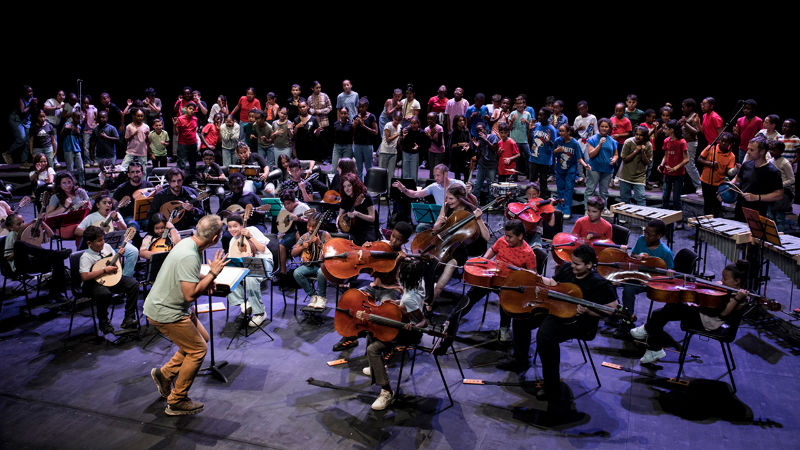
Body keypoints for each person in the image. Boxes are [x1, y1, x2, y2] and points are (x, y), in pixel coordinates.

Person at [145, 215, 227, 416]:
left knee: (202, 339)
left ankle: (165, 375)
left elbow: (184, 272)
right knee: (198, 350)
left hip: (173, 307)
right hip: (167, 311)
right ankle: (177, 400)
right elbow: (190, 293)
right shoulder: (190, 254)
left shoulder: (186, 245)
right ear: (215, 238)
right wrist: (212, 274)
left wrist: (203, 278)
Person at [532, 244, 618, 424]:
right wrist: (540, 282)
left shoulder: (599, 283)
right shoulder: (567, 269)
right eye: (572, 263)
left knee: (545, 337)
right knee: (524, 321)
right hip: (560, 312)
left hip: (582, 324)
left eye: (578, 265)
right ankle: (521, 361)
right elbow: (556, 284)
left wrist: (588, 311)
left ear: (589, 265)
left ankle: (553, 392)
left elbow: (611, 310)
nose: (573, 267)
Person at [438, 220, 536, 350]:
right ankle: (451, 320)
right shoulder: (502, 240)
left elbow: (533, 275)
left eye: (510, 236)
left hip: (508, 284)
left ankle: (504, 329)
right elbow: (493, 249)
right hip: (491, 275)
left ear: (520, 236)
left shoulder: (529, 254)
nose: (506, 239)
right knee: (471, 295)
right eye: (506, 235)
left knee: (506, 300)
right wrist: (484, 260)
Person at [631, 262, 749, 364]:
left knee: (660, 313)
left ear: (737, 281)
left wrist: (737, 299)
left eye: (725, 279)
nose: (722, 281)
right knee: (670, 305)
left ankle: (652, 341)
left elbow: (723, 314)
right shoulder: (727, 289)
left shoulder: (741, 298)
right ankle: (652, 340)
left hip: (708, 322)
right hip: (703, 313)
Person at [361, 257, 428, 410]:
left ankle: (386, 392)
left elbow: (424, 322)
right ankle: (377, 368)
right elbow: (409, 302)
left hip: (408, 332)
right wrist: (397, 303)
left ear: (405, 276)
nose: (397, 275)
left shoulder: (410, 298)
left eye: (400, 273)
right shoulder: (418, 282)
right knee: (372, 330)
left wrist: (414, 326)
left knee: (373, 349)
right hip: (404, 321)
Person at [617, 219, 674, 336]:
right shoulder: (641, 240)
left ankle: (629, 320)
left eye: (649, 234)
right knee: (616, 282)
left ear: (659, 236)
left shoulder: (666, 252)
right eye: (645, 232)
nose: (645, 236)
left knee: (628, 288)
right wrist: (637, 256)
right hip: (638, 275)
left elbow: (670, 271)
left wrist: (668, 272)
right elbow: (633, 254)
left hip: (652, 282)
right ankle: (625, 317)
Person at [430, 184, 488, 301]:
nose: (448, 201)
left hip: (464, 247)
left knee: (450, 266)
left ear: (460, 198)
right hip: (447, 243)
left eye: (451, 198)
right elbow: (435, 231)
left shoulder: (470, 210)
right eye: (447, 198)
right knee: (429, 261)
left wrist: (479, 219)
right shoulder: (446, 207)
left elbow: (486, 237)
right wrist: (438, 225)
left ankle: (434, 294)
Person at [79, 225, 140, 334]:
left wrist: (119, 256)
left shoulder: (106, 247)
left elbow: (116, 265)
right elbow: (84, 276)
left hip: (109, 278)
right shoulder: (86, 257)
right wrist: (104, 270)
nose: (102, 242)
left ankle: (129, 318)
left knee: (133, 284)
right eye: (99, 241)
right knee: (104, 294)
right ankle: (104, 322)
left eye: (103, 239)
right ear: (89, 243)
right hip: (92, 283)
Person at [2, 213, 70, 301]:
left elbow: (51, 235)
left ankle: (56, 293)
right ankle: (54, 253)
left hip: (34, 262)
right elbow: (7, 258)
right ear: (11, 227)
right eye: (19, 224)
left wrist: (41, 222)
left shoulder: (29, 231)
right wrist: (22, 247)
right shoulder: (12, 235)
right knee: (19, 244)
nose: (23, 225)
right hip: (21, 265)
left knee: (57, 258)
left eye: (23, 222)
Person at [226, 214, 273, 328]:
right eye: (229, 227)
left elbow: (262, 249)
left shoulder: (252, 230)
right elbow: (235, 260)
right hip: (245, 266)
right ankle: (244, 303)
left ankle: (260, 313)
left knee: (250, 279)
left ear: (242, 225)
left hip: (263, 262)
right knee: (228, 277)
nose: (232, 229)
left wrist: (250, 237)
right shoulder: (232, 241)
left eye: (235, 226)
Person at [74, 194, 140, 276]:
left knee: (134, 251)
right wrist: (93, 233)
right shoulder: (91, 217)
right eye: (104, 203)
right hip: (100, 247)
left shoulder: (116, 214)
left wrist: (117, 220)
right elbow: (77, 231)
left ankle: (125, 276)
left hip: (115, 243)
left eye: (109, 203)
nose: (108, 205)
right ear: (98, 205)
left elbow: (124, 230)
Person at [730, 135, 784, 221]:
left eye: (751, 150)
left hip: (757, 213)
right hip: (740, 209)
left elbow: (779, 195)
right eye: (748, 149)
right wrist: (726, 188)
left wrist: (756, 197)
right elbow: (737, 179)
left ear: (762, 151)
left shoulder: (772, 171)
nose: (748, 152)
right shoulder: (746, 165)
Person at [291, 211, 331, 310]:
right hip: (310, 265)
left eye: (313, 227)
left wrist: (320, 243)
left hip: (322, 265)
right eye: (309, 226)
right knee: (297, 272)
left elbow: (331, 251)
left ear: (319, 226)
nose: (310, 229)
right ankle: (313, 296)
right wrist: (302, 247)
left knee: (321, 272)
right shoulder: (304, 236)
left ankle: (321, 298)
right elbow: (293, 252)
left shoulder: (325, 235)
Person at [217, 172, 266, 250]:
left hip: (253, 225)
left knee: (255, 237)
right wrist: (223, 214)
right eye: (233, 184)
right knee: (226, 237)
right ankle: (230, 258)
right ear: (229, 185)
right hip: (234, 227)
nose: (236, 186)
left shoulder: (252, 196)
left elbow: (263, 211)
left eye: (238, 183)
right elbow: (218, 215)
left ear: (243, 183)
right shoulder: (227, 200)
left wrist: (254, 211)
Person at [698, 132, 737, 217]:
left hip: (719, 184)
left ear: (730, 144)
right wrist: (709, 164)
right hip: (706, 181)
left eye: (726, 142)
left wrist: (736, 169)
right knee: (707, 204)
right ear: (719, 140)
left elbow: (728, 172)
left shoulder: (731, 156)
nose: (723, 143)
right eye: (722, 140)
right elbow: (700, 159)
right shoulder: (711, 147)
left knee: (717, 205)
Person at [553, 124, 584, 219]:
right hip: (559, 169)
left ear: (568, 132)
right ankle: (560, 206)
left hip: (570, 169)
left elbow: (579, 158)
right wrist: (556, 151)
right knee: (560, 188)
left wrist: (585, 166)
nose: (560, 133)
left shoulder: (574, 143)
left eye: (563, 131)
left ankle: (567, 208)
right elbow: (552, 153)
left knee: (568, 189)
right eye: (560, 131)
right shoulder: (557, 141)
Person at [277, 191, 310, 277]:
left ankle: (303, 269)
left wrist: (299, 219)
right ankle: (283, 272)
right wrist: (282, 231)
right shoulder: (284, 209)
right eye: (284, 204)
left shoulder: (303, 207)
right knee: (281, 245)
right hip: (290, 232)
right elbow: (281, 220)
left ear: (294, 201)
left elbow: (312, 221)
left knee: (298, 236)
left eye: (288, 203)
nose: (286, 206)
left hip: (304, 232)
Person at [658, 120, 689, 210]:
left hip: (678, 174)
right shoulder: (666, 141)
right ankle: (665, 217)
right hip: (667, 173)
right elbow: (665, 155)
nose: (664, 130)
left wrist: (675, 168)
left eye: (666, 129)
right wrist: (661, 164)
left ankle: (678, 221)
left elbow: (686, 159)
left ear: (672, 130)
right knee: (665, 197)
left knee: (676, 198)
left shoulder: (682, 142)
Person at [618, 126, 653, 206]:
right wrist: (636, 151)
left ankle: (642, 217)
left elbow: (647, 162)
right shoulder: (628, 142)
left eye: (640, 135)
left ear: (645, 136)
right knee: (625, 199)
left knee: (641, 198)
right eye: (636, 134)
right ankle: (625, 217)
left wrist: (643, 152)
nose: (638, 137)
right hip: (625, 175)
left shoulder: (648, 145)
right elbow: (624, 159)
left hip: (639, 176)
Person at [338, 173, 376, 245]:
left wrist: (358, 214)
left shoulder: (365, 197)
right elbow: (340, 215)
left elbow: (372, 218)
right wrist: (338, 223)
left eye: (349, 185)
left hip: (365, 229)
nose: (347, 189)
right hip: (351, 228)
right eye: (344, 186)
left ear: (355, 185)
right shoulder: (345, 198)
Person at [112, 162, 152, 230]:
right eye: (132, 172)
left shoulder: (148, 185)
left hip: (145, 216)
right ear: (129, 174)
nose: (135, 174)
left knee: (153, 223)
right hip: (129, 217)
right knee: (133, 226)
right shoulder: (121, 188)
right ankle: (137, 240)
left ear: (142, 173)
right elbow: (114, 203)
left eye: (138, 171)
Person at [766, 140, 794, 232]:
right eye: (771, 149)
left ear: (781, 151)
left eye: (774, 150)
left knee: (779, 217)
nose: (771, 152)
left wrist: (779, 185)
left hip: (783, 193)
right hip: (771, 192)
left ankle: (781, 236)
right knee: (770, 215)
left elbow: (792, 179)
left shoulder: (785, 163)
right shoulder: (770, 161)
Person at [530, 107, 557, 198]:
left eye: (541, 115)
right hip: (534, 157)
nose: (539, 117)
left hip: (544, 159)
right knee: (532, 180)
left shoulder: (551, 129)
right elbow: (530, 140)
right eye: (538, 115)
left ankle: (542, 200)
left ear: (547, 116)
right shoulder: (536, 125)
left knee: (543, 181)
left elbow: (554, 147)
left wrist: (549, 141)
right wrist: (530, 130)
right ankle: (531, 199)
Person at [470, 123, 501, 203]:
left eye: (481, 130)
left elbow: (494, 149)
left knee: (491, 185)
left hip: (491, 165)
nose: (480, 132)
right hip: (482, 164)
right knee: (477, 185)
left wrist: (485, 140)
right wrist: (477, 147)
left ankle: (490, 203)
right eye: (478, 131)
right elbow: (479, 155)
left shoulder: (493, 137)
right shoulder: (480, 139)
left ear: (485, 129)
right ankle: (476, 202)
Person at [679, 98, 703, 193]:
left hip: (691, 142)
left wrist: (686, 124)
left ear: (690, 107)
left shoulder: (694, 116)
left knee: (690, 165)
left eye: (684, 107)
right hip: (685, 142)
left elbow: (697, 131)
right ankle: (683, 184)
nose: (682, 109)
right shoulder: (687, 116)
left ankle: (699, 185)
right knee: (682, 164)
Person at [352, 98, 378, 179]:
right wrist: (355, 125)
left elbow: (376, 132)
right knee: (359, 167)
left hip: (367, 145)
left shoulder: (371, 117)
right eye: (359, 107)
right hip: (357, 145)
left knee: (368, 167)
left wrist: (364, 126)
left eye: (362, 107)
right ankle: (360, 187)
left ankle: (369, 186)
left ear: (366, 107)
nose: (360, 109)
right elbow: (352, 132)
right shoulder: (356, 117)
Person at [173, 102, 199, 180]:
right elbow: (176, 133)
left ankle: (193, 178)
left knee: (193, 162)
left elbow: (195, 130)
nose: (192, 110)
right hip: (183, 144)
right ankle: (180, 178)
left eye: (193, 109)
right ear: (186, 109)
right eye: (190, 108)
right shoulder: (180, 119)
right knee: (181, 163)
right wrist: (174, 125)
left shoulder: (195, 119)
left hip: (193, 143)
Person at [378, 111, 403, 190]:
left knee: (391, 174)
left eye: (399, 120)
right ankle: (381, 192)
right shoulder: (388, 125)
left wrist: (402, 137)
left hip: (393, 153)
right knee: (382, 173)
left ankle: (389, 192)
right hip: (384, 152)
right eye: (395, 119)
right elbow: (388, 139)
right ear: (393, 118)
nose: (397, 121)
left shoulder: (400, 126)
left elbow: (398, 141)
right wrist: (398, 134)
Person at [509, 96, 533, 172]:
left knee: (528, 157)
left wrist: (526, 122)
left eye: (521, 103)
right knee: (515, 159)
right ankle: (514, 176)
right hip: (514, 140)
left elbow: (530, 127)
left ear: (524, 104)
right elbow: (509, 128)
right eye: (517, 103)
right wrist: (512, 121)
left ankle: (529, 175)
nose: (519, 105)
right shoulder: (513, 113)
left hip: (524, 140)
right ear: (515, 105)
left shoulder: (528, 114)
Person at [61, 110, 85, 184]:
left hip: (77, 149)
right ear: (73, 117)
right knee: (70, 170)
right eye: (77, 118)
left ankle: (82, 185)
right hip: (68, 149)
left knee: (81, 168)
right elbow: (61, 134)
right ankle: (71, 185)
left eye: (80, 118)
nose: (79, 120)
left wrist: (78, 133)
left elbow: (80, 140)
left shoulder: (79, 127)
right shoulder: (67, 124)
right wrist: (66, 129)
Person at [448, 115, 472, 181]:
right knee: (457, 175)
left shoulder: (466, 131)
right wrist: (461, 144)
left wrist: (467, 146)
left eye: (463, 120)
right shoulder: (454, 132)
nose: (462, 122)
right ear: (456, 122)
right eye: (460, 120)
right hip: (456, 156)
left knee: (466, 174)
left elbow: (470, 142)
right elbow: (451, 145)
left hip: (465, 155)